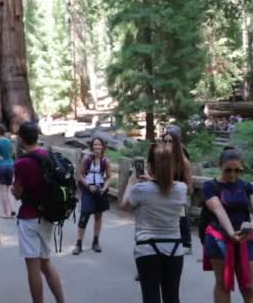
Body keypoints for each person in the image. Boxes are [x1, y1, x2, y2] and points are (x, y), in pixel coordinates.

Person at [121, 143, 188, 303]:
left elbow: (124, 206)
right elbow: (163, 188)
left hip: (147, 248)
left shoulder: (141, 189)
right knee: (172, 297)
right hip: (174, 248)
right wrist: (152, 180)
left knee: (151, 297)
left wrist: (131, 182)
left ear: (150, 166)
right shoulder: (181, 189)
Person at [12, 121, 65, 303]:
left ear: (21, 139)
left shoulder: (22, 163)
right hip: (48, 216)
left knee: (33, 268)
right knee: (46, 263)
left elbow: (18, 194)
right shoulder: (48, 156)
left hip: (29, 217)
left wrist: (14, 189)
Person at [203, 147, 253, 303]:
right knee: (223, 284)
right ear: (220, 166)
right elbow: (218, 210)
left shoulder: (247, 186)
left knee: (249, 285)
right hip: (220, 239)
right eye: (228, 170)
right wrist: (231, 233)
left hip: (246, 239)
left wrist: (251, 227)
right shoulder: (210, 186)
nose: (232, 174)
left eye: (237, 170)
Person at [72, 137, 111, 255]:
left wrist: (104, 188)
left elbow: (109, 177)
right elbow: (80, 174)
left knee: (98, 216)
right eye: (95, 145)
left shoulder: (105, 161)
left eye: (99, 145)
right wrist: (88, 186)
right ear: (92, 146)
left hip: (100, 191)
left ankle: (95, 241)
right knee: (84, 216)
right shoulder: (87, 159)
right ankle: (79, 244)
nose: (97, 147)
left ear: (103, 146)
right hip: (88, 190)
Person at [163, 125, 193, 255]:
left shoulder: (183, 159)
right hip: (165, 192)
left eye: (171, 140)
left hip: (178, 193)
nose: (168, 143)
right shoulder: (162, 154)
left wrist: (183, 193)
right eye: (166, 140)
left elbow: (189, 183)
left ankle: (187, 243)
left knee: (181, 218)